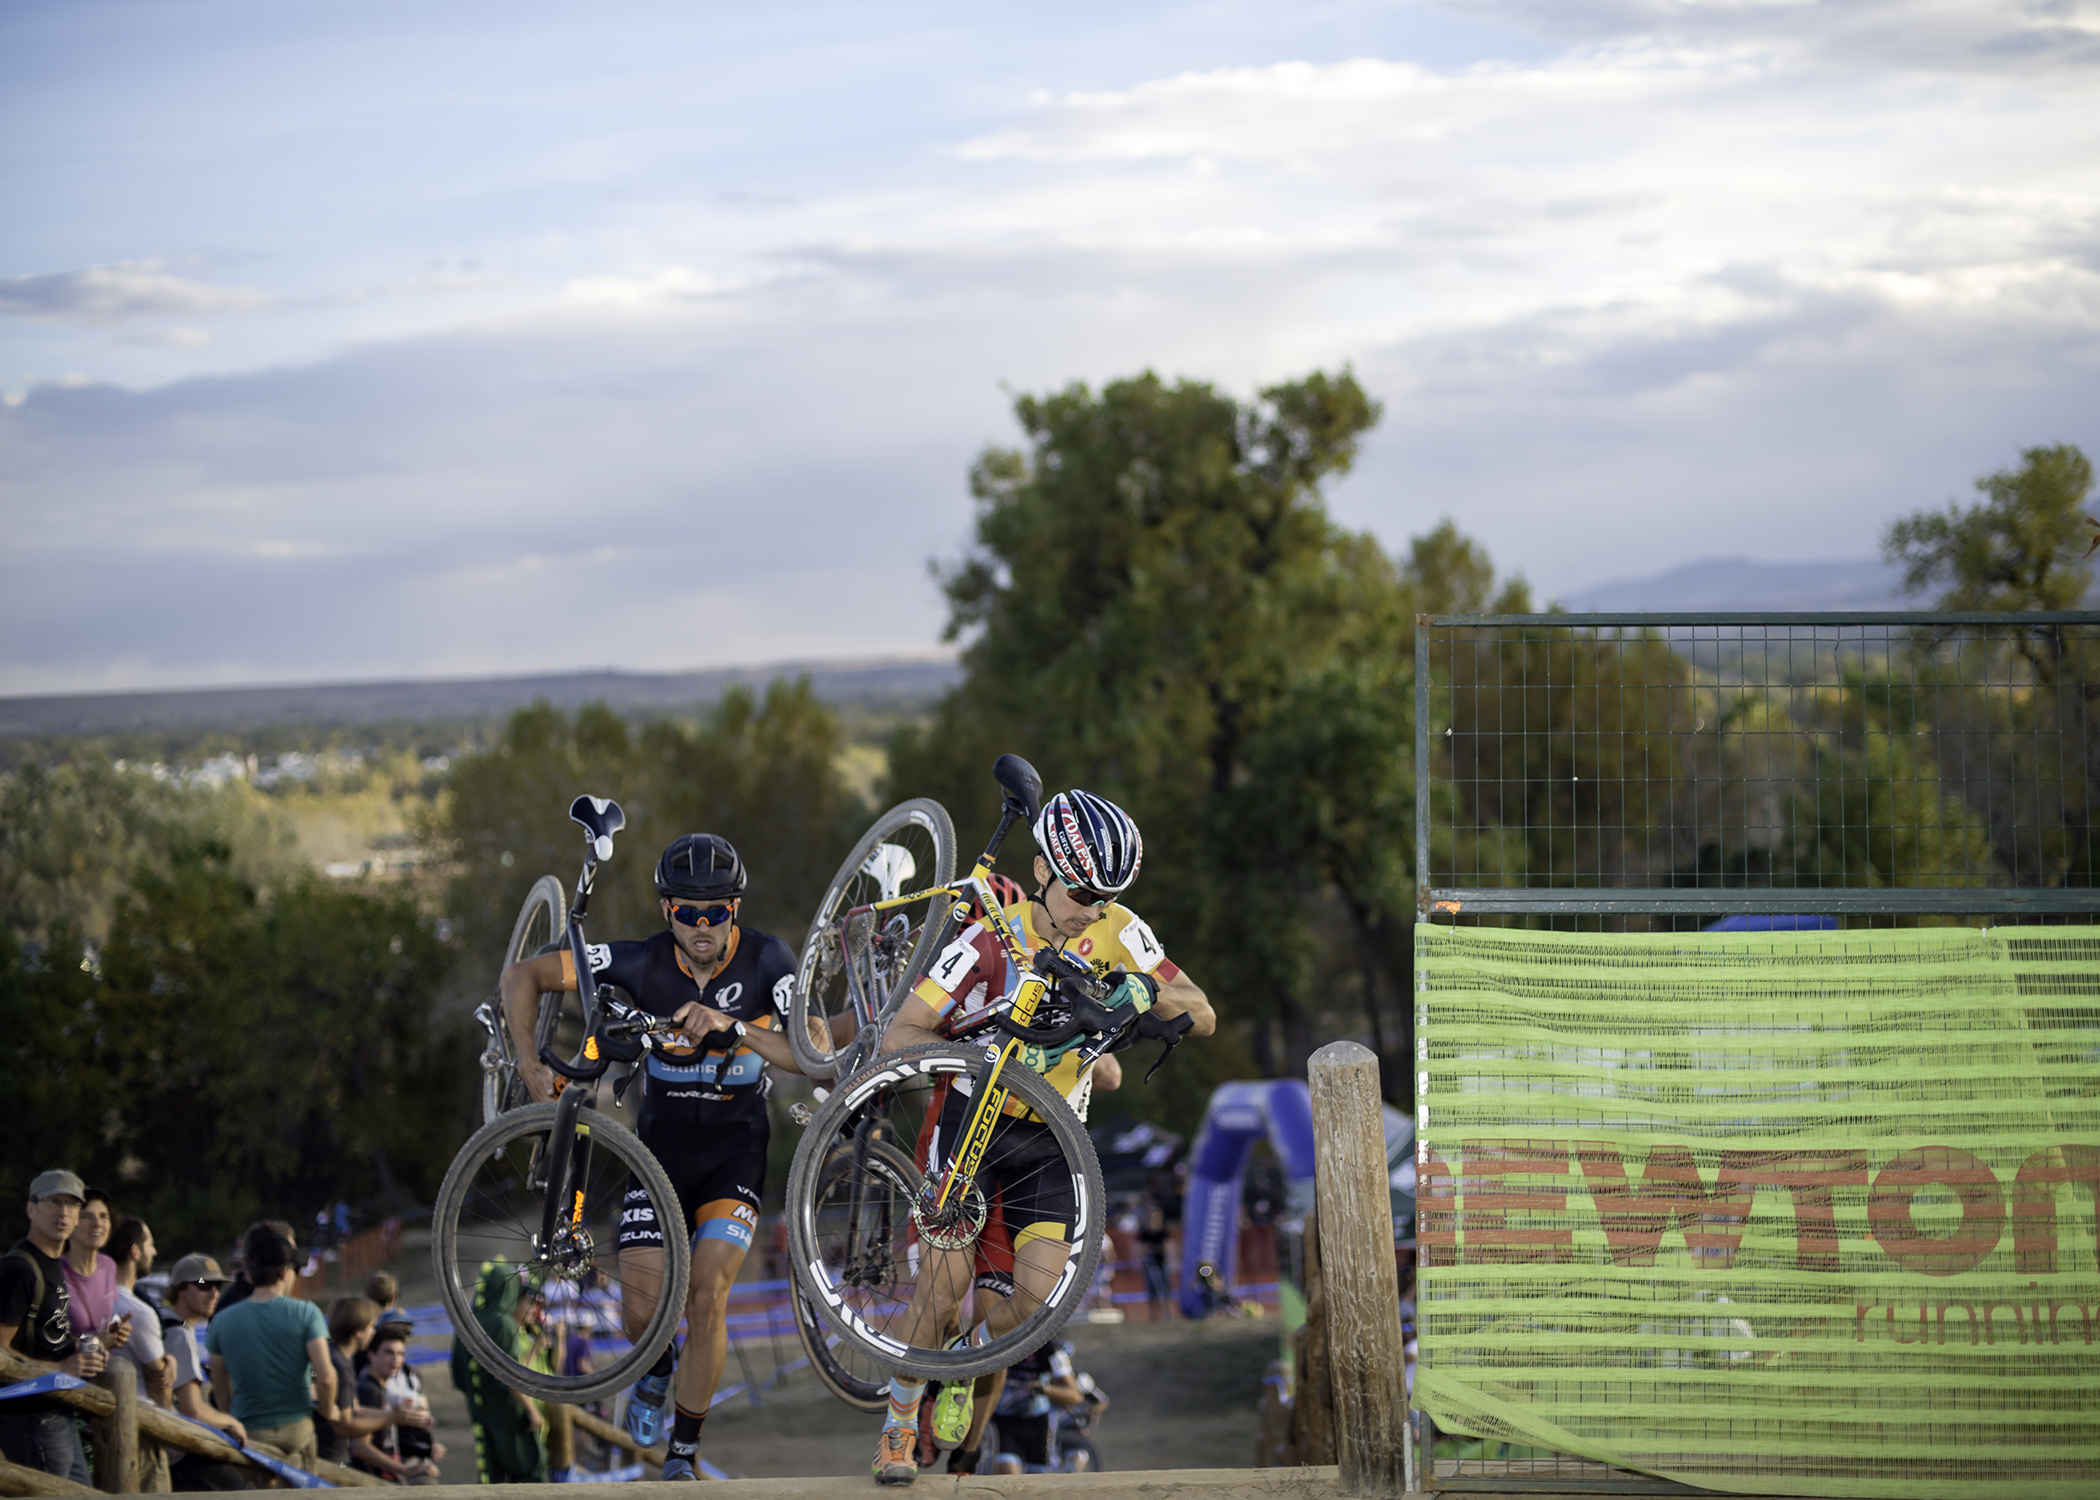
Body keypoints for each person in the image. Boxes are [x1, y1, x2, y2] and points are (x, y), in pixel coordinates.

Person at [867, 787, 1214, 1485]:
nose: (1094, 906)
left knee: (1024, 1311)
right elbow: (899, 1035)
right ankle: (899, 1424)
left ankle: (963, 1361)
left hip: (1051, 1142)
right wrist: (982, 1038)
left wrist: (1144, 993)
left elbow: (1202, 1012)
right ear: (1042, 872)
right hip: (972, 1123)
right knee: (940, 1288)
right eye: (1083, 890)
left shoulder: (1118, 928)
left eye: (1108, 894)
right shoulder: (989, 937)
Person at [503, 831, 822, 1482]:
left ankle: (682, 1451)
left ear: (736, 907)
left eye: (717, 912)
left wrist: (737, 1028)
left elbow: (807, 1053)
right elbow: (524, 975)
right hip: (660, 1154)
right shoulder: (640, 961)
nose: (703, 926)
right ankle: (654, 1371)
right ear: (665, 909)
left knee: (707, 1297)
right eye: (687, 912)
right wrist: (528, 1061)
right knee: (643, 1314)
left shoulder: (768, 961)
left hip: (736, 1152)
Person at [0, 1170, 107, 1486]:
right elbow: (1, 1354)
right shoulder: (19, 1269)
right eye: (54, 1202)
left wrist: (89, 1345)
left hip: (56, 1411)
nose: (63, 1213)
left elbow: (45, 1332)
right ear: (31, 1209)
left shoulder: (52, 1262)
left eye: (73, 1205)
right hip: (29, 1417)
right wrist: (62, 1367)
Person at [206, 1224, 334, 1472]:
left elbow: (220, 1389)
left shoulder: (222, 1319)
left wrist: (233, 1421)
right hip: (297, 1428)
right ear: (285, 1272)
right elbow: (327, 1378)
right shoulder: (307, 1312)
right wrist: (329, 1411)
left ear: (251, 1270)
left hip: (249, 1431)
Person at [449, 1263, 550, 1485]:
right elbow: (509, 1377)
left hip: (483, 1418)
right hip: (513, 1419)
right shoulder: (504, 1324)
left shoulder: (468, 1323)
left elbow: (457, 1376)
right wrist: (532, 1410)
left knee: (491, 1482)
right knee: (533, 1473)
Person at [159, 1254, 251, 1491]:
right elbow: (194, 1411)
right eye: (203, 1285)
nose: (213, 1293)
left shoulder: (164, 1320)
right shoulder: (178, 1333)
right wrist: (230, 1421)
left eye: (217, 1286)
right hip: (178, 1453)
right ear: (179, 1289)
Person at [353, 1323, 444, 1484]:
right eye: (389, 1353)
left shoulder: (381, 1388)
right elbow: (360, 1448)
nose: (396, 1360)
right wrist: (406, 1470)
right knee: (426, 1484)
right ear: (371, 1355)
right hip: (373, 1480)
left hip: (388, 1475)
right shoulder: (369, 1390)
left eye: (400, 1353)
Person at [987, 1340, 1084, 1475]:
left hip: (1038, 1425)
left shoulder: (1050, 1349)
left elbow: (1074, 1396)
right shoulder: (1001, 1342)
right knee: (1008, 1478)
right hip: (1005, 1423)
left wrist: (1045, 1389)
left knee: (1037, 1484)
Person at [62, 1186, 132, 1355]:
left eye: (104, 1216)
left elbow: (101, 1323)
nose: (97, 1223)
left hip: (99, 1366)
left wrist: (116, 1329)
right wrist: (95, 1342)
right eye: (86, 1216)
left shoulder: (108, 1265)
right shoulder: (53, 1272)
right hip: (64, 1374)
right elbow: (43, 1342)